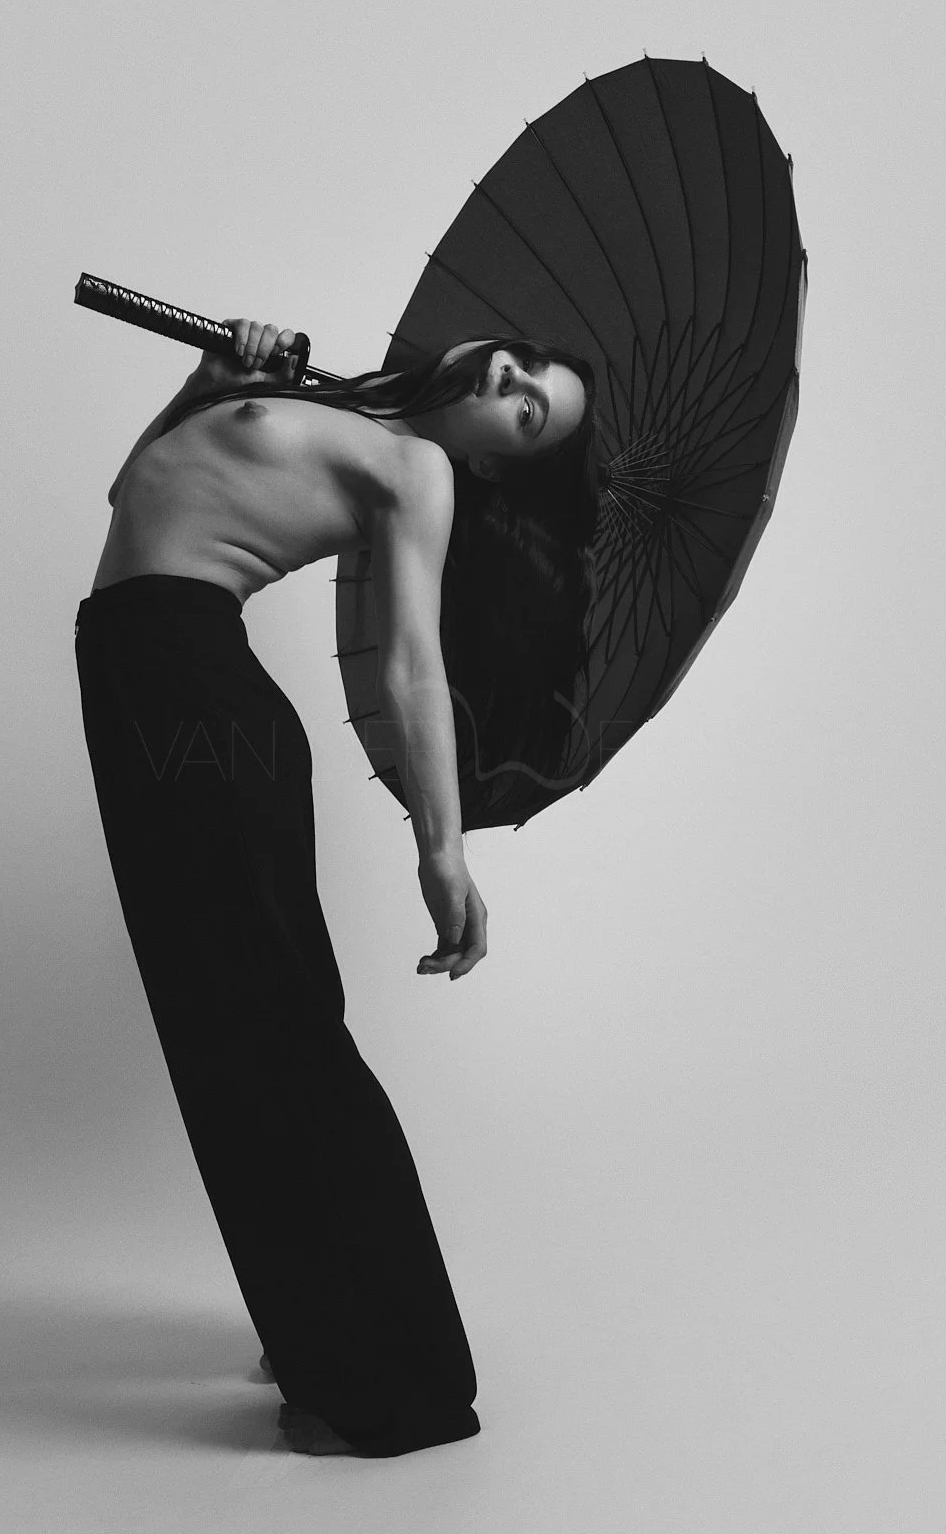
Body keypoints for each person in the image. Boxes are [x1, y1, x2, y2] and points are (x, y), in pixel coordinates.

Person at [74, 319, 596, 1456]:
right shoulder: (340, 406)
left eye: (527, 412)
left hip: (195, 699)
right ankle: (318, 1323)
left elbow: (414, 661)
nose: (509, 383)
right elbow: (134, 492)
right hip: (139, 674)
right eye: (520, 366)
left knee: (275, 1032)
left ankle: (394, 1381)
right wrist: (203, 382)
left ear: (500, 459)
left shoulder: (418, 471)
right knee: (219, 1027)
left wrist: (441, 846)